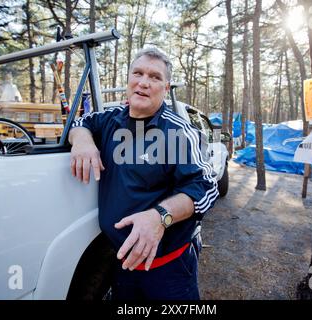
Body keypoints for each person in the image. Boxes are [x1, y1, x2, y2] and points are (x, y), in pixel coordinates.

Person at [68, 47, 218, 300]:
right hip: (122, 263)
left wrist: (161, 217)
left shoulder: (177, 132)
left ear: (166, 88)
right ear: (128, 80)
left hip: (169, 270)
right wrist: (82, 139)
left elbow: (205, 189)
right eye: (138, 73)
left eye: (155, 77)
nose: (144, 82)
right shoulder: (108, 120)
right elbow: (80, 123)